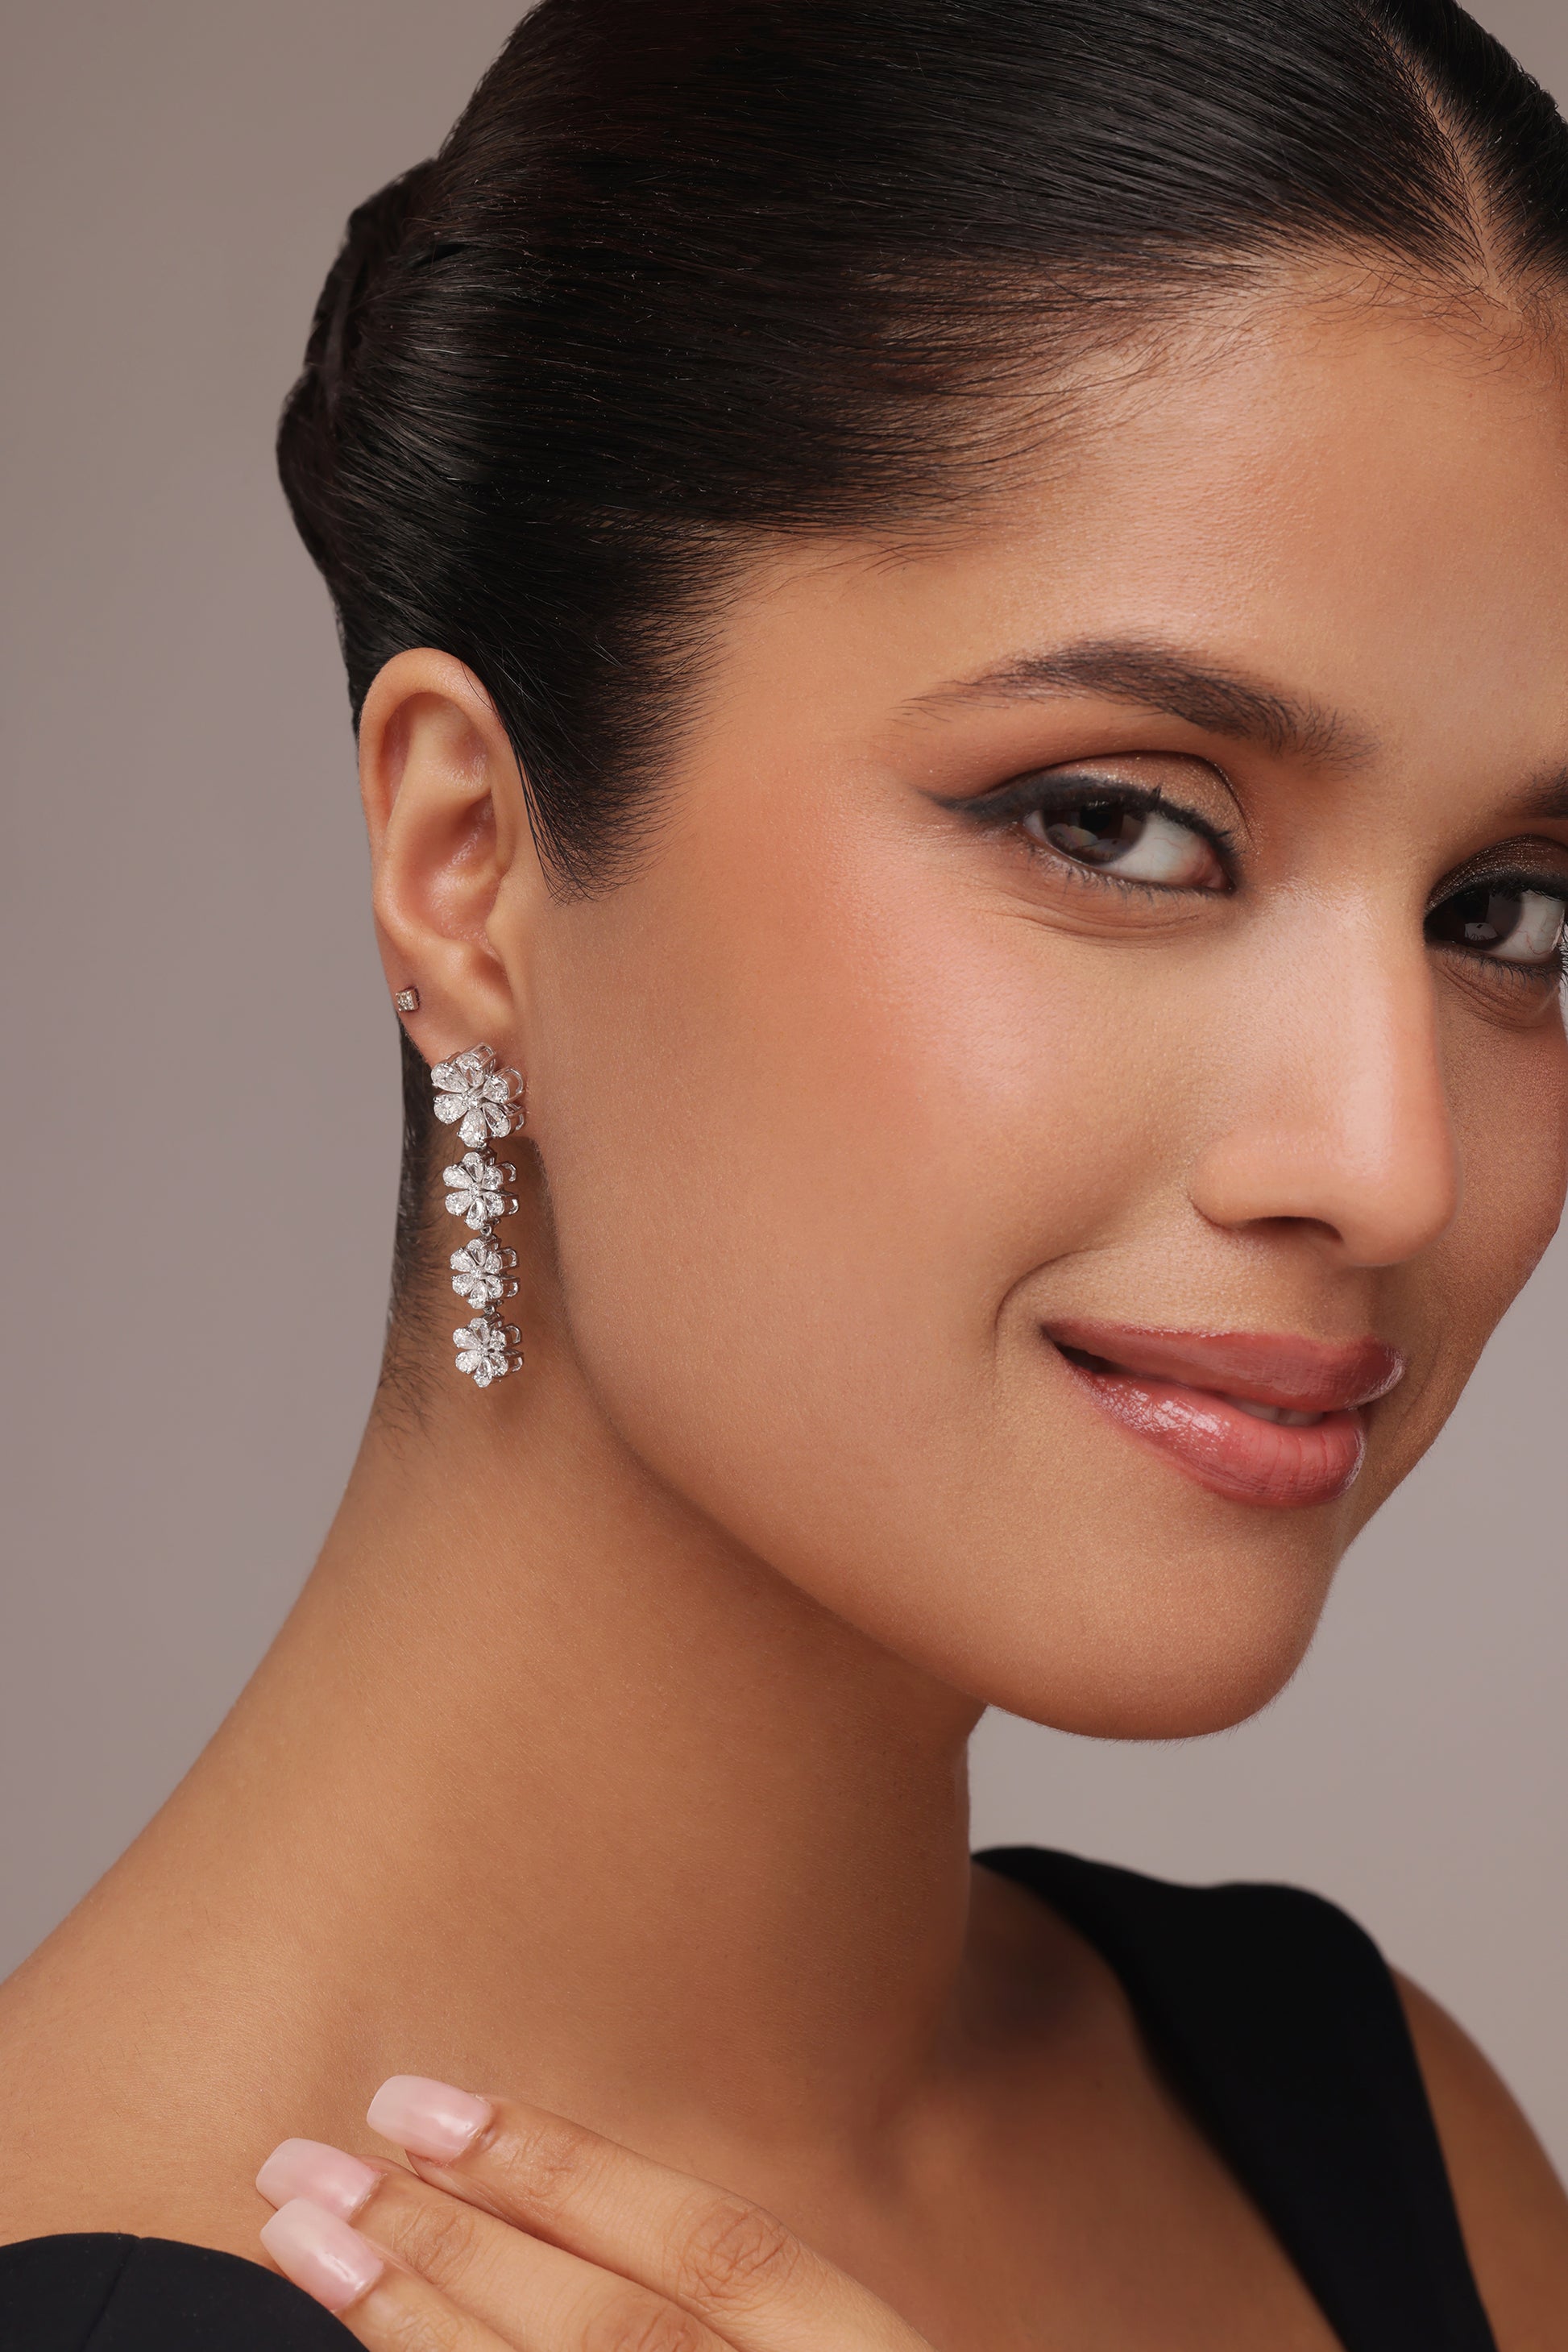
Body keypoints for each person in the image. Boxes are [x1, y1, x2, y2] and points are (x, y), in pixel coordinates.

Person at [3, 0, 1568, 2344]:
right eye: (1118, 826)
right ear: (465, 862)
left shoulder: (1356, 2115)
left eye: (1509, 914)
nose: (1389, 1161)